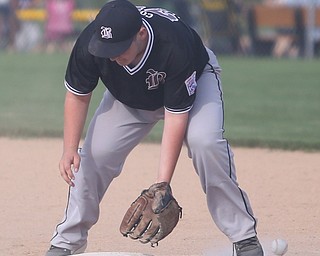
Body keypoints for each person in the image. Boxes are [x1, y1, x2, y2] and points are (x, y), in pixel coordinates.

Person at [45, 1, 264, 256]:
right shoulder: (93, 44)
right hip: (128, 98)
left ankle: (244, 237)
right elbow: (78, 94)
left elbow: (176, 116)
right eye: (106, 49)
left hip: (194, 82)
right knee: (93, 156)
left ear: (141, 33)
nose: (112, 55)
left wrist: (162, 184)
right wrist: (69, 148)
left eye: (118, 48)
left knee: (205, 143)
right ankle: (67, 241)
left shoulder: (173, 43)